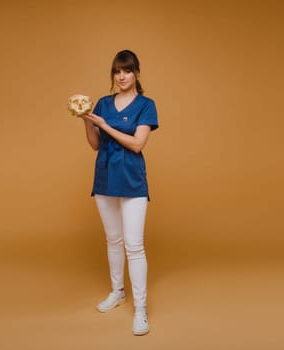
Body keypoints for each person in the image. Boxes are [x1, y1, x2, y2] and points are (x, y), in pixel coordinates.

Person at [76, 49, 158, 336]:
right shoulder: (102, 103)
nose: (121, 76)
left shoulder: (146, 105)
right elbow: (95, 145)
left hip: (132, 183)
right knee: (113, 240)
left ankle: (141, 309)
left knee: (134, 245)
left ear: (136, 73)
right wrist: (88, 120)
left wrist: (104, 125)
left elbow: (137, 144)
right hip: (105, 181)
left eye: (127, 70)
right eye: (117, 71)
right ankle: (117, 292)